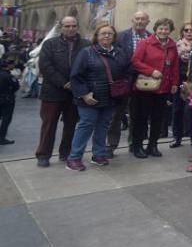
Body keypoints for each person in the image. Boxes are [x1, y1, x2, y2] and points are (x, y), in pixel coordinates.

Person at [66, 24, 131, 171]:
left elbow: (127, 71)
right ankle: (74, 158)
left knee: (103, 125)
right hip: (90, 97)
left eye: (110, 34)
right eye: (103, 34)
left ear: (114, 37)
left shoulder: (120, 53)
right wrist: (84, 94)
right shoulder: (86, 53)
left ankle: (98, 154)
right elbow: (76, 76)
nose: (106, 36)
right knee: (86, 125)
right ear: (97, 36)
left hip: (110, 97)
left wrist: (125, 84)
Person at [35, 16, 90, 166]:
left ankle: (65, 153)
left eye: (73, 26)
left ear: (78, 27)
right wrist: (63, 83)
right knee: (49, 124)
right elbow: (46, 67)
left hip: (75, 93)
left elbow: (89, 66)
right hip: (52, 92)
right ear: (61, 27)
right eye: (67, 26)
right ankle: (43, 155)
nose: (70, 29)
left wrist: (77, 85)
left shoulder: (86, 45)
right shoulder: (50, 44)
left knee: (71, 124)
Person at [130, 18, 180, 158]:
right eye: (161, 28)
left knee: (158, 118)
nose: (163, 31)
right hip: (145, 88)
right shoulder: (145, 43)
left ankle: (152, 145)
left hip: (163, 87)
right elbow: (135, 61)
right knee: (141, 118)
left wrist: (175, 83)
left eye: (166, 29)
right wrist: (151, 71)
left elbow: (175, 65)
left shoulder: (172, 45)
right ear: (156, 30)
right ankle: (137, 145)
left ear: (170, 31)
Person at [108, 10, 151, 157]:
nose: (139, 21)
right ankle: (111, 146)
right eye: (137, 19)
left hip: (144, 82)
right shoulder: (120, 37)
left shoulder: (151, 37)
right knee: (116, 116)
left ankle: (135, 144)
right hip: (123, 81)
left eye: (143, 19)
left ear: (147, 21)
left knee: (138, 116)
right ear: (132, 20)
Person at [170, 22, 192, 148]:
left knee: (191, 109)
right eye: (186, 30)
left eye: (191, 30)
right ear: (182, 32)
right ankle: (177, 137)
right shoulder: (177, 45)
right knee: (177, 109)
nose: (189, 32)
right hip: (179, 78)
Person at [0, 57, 19, 145]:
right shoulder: (9, 76)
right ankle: (1, 138)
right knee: (6, 119)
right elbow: (16, 87)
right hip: (7, 99)